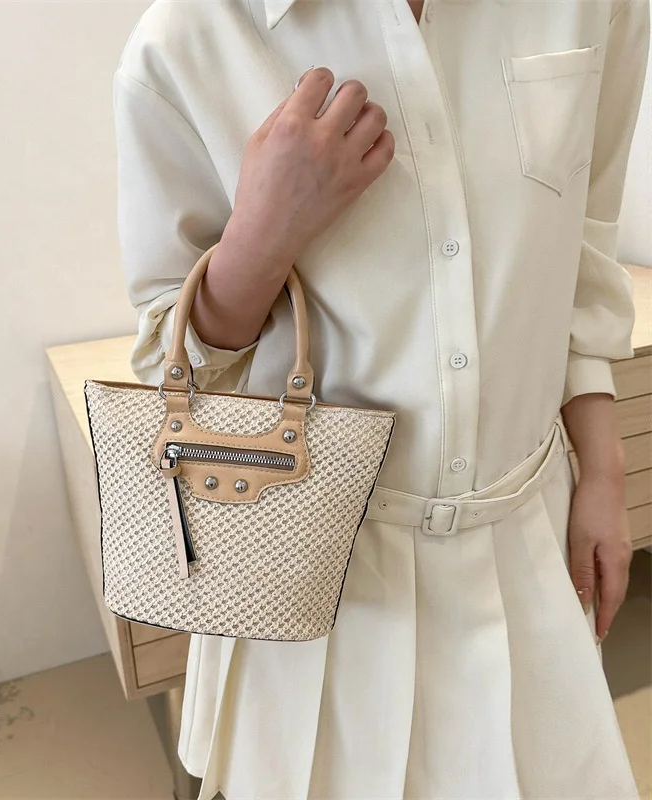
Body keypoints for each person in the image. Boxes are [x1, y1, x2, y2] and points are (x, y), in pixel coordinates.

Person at [112, 0, 650, 797]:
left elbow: (581, 245)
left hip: (531, 541)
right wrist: (263, 234)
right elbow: (176, 359)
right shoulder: (189, 40)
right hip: (312, 569)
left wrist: (604, 471)